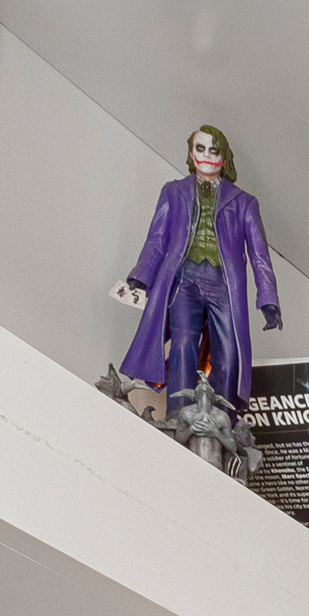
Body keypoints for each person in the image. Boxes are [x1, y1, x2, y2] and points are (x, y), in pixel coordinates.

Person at [116, 123, 279, 413]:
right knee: (181, 345)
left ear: (225, 159)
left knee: (229, 354)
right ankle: (180, 415)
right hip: (184, 279)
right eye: (200, 148)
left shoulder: (244, 203)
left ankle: (224, 421)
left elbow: (259, 255)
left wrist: (267, 298)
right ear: (191, 153)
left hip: (224, 283)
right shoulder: (172, 192)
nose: (206, 155)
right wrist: (142, 275)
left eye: (214, 151)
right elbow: (156, 240)